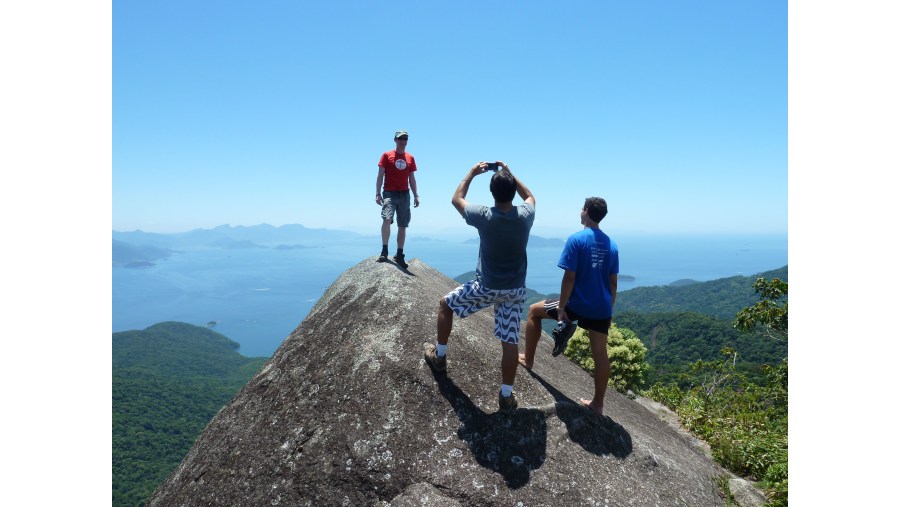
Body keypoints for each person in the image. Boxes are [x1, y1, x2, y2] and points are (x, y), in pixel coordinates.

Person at [424, 161, 536, 412]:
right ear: (511, 191)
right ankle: (506, 396)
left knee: (445, 304)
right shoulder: (525, 216)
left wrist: (472, 173)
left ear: (492, 193)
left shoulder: (484, 216)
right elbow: (529, 196)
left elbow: (456, 198)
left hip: (485, 287)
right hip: (514, 291)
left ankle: (440, 357)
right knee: (509, 342)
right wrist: (508, 172)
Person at [517, 197, 619, 416]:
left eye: (582, 208)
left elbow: (569, 278)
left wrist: (562, 308)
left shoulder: (576, 240)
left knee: (534, 312)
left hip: (577, 305)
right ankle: (598, 405)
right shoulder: (612, 245)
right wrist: (609, 309)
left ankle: (528, 359)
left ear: (586, 211)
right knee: (600, 354)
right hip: (601, 308)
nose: (580, 211)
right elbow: (612, 283)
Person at [375, 130, 420, 269]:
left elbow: (411, 178)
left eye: (405, 139)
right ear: (395, 140)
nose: (403, 141)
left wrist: (416, 194)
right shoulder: (386, 155)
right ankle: (384, 251)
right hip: (389, 193)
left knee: (402, 224)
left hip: (404, 194)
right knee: (387, 219)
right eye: (400, 139)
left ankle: (399, 254)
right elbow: (380, 175)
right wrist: (377, 193)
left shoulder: (410, 158)